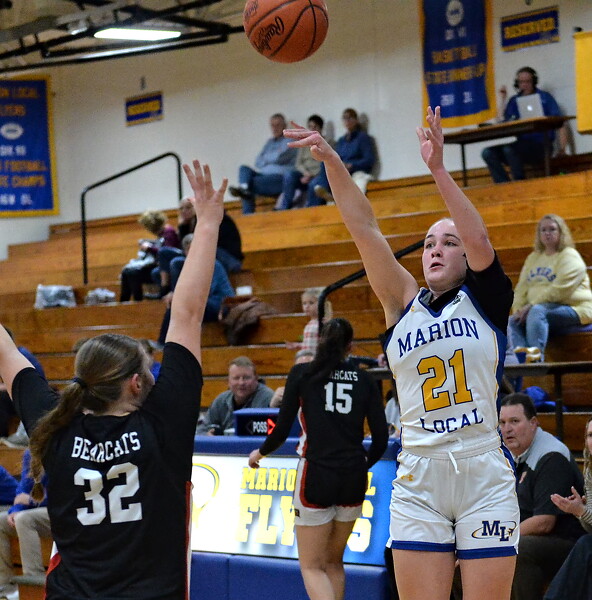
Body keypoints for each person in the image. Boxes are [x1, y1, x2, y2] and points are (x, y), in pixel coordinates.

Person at [284, 105, 519, 600]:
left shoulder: (488, 300)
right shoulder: (401, 302)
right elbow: (364, 228)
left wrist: (438, 170)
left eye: (448, 242)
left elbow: (478, 236)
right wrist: (332, 162)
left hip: (482, 468)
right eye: (429, 243)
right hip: (419, 472)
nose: (435, 249)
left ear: (466, 256)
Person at [0, 159, 227, 598]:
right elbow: (187, 313)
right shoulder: (163, 426)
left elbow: (6, 353)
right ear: (136, 383)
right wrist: (209, 223)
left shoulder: (54, 428)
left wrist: (206, 225)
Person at [248, 318, 388, 600]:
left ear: (320, 342)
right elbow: (381, 439)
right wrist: (362, 464)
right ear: (350, 346)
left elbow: (282, 429)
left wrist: (259, 453)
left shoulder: (302, 373)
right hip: (353, 476)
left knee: (312, 567)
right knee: (334, 562)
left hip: (316, 473)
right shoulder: (365, 379)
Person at [499, 393, 585, 600]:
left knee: (519, 549)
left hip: (566, 542)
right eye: (502, 422)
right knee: (466, 547)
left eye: (514, 421)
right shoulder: (507, 455)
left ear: (533, 423)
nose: (507, 429)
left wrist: (501, 538)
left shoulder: (551, 456)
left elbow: (544, 523)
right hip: (527, 535)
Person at [509, 214, 592, 362]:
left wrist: (530, 306)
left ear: (561, 232)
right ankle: (522, 361)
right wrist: (518, 310)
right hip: (540, 308)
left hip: (576, 308)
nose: (547, 233)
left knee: (537, 312)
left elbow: (559, 290)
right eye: (543, 230)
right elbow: (521, 288)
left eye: (552, 229)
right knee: (512, 321)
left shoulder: (570, 256)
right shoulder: (533, 258)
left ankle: (535, 361)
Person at [482, 67, 567, 183]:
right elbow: (501, 120)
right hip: (521, 145)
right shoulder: (514, 100)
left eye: (528, 81)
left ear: (534, 81)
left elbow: (560, 123)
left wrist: (562, 149)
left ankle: (519, 182)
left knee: (509, 150)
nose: (524, 85)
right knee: (488, 153)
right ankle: (503, 185)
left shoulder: (545, 97)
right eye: (521, 82)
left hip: (542, 146)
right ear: (517, 83)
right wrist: (503, 99)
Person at [543, 416, 592, 600]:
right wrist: (579, 511)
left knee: (586, 545)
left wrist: (582, 511)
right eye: (590, 435)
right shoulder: (590, 472)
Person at [156, 234, 236, 346]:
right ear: (185, 252)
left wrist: (179, 296)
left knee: (181, 304)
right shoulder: (189, 266)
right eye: (190, 249)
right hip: (204, 303)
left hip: (221, 303)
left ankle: (163, 343)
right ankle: (168, 343)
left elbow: (206, 291)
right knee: (176, 307)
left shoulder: (212, 264)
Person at [155, 198, 243, 296]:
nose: (184, 211)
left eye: (188, 207)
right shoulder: (187, 224)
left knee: (179, 261)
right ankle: (166, 291)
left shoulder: (212, 218)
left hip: (227, 257)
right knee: (163, 255)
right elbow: (185, 246)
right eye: (181, 209)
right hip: (201, 256)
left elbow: (205, 245)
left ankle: (179, 295)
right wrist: (183, 227)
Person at [0, 449, 50, 600]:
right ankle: (6, 587)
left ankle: (33, 584)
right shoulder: (31, 453)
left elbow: (65, 496)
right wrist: (16, 509)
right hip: (38, 510)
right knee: (2, 521)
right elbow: (22, 491)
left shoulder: (63, 449)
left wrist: (32, 501)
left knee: (24, 519)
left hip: (62, 512)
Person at [229, 113, 298, 214]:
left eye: (278, 125)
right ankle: (244, 188)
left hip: (279, 179)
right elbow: (258, 161)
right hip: (263, 177)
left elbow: (279, 157)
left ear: (284, 126)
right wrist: (273, 156)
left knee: (250, 183)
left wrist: (266, 158)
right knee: (243, 169)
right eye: (272, 125)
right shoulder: (269, 143)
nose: (275, 128)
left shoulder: (290, 140)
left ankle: (247, 211)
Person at [309, 108, 375, 206]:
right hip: (342, 170)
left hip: (355, 170)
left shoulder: (363, 138)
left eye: (350, 118)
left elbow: (369, 160)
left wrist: (351, 165)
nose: (347, 121)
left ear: (356, 120)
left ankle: (330, 193)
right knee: (325, 162)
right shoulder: (341, 140)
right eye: (345, 118)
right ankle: (325, 190)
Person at [196, 356, 274, 435]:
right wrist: (207, 435)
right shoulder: (221, 401)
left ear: (256, 379)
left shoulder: (268, 398)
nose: (241, 383)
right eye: (236, 378)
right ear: (228, 381)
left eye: (246, 378)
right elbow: (201, 430)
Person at [119, 209, 180, 302]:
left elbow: (165, 252)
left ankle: (138, 301)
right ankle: (124, 301)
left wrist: (149, 248)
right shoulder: (162, 234)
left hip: (164, 268)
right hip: (157, 265)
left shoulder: (168, 232)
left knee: (132, 273)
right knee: (126, 272)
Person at [277, 115, 325, 210]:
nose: (312, 129)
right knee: (289, 175)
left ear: (320, 128)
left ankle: (311, 210)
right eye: (310, 127)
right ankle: (284, 208)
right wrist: (305, 173)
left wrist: (311, 175)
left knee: (314, 183)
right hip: (305, 174)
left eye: (315, 127)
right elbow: (298, 164)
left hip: (317, 175)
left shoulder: (328, 143)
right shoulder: (304, 143)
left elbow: (325, 164)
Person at [285, 287, 332, 354]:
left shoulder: (324, 322)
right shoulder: (310, 323)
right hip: (308, 358)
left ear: (321, 304)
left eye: (311, 303)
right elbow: (311, 344)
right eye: (304, 303)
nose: (307, 306)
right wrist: (298, 345)